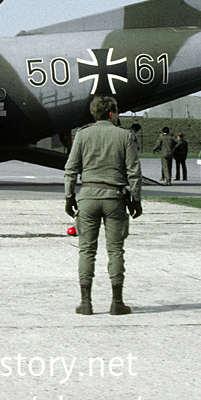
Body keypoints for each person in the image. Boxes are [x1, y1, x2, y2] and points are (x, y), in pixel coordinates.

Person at [64, 96, 143, 316]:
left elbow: (71, 169)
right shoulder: (124, 136)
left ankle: (86, 303)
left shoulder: (82, 134)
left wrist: (69, 196)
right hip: (114, 199)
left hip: (88, 197)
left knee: (86, 250)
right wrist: (136, 199)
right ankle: (117, 303)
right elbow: (134, 171)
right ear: (111, 113)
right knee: (116, 250)